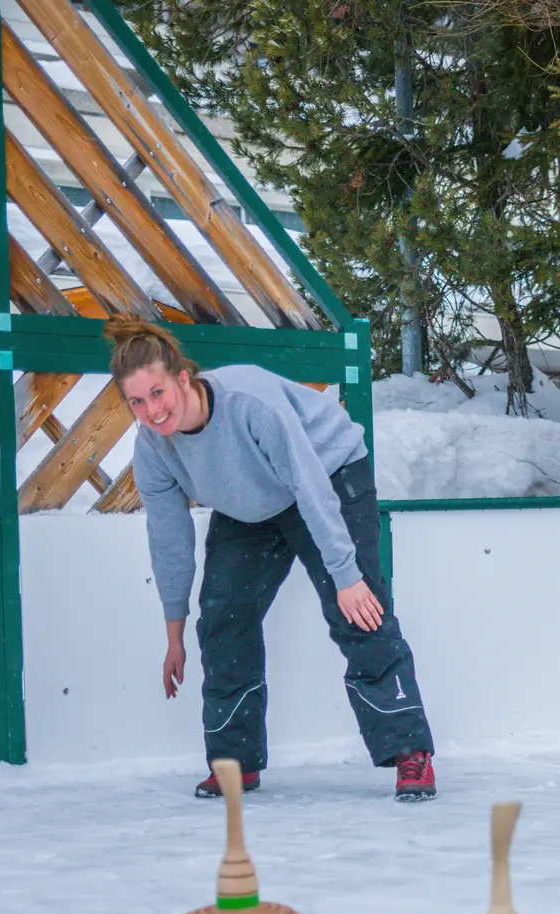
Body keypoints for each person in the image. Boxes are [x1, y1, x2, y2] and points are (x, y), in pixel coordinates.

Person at [113, 316, 438, 801]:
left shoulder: (251, 404)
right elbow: (169, 539)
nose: (152, 411)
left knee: (359, 611)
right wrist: (174, 631)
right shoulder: (152, 448)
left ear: (182, 378)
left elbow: (309, 486)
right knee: (223, 618)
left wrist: (345, 575)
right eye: (137, 402)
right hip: (251, 505)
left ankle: (409, 751)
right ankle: (234, 762)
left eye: (157, 393)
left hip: (327, 475)